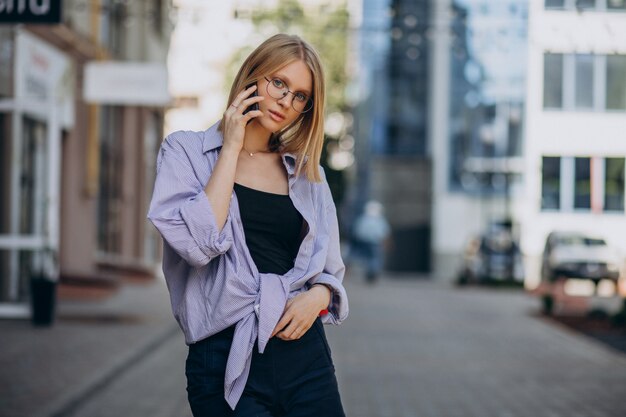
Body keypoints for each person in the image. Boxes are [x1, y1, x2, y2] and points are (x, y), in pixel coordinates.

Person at [147, 34, 348, 417]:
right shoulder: (185, 151)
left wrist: (319, 298)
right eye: (279, 83)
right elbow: (196, 246)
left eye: (300, 96)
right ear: (253, 76)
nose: (286, 102)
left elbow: (330, 269)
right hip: (223, 354)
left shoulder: (308, 174)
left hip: (304, 355)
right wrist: (231, 147)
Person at [352, 200, 390, 283]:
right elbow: (384, 232)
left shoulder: (363, 219)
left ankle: (369, 272)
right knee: (375, 258)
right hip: (375, 243)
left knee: (367, 258)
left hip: (364, 242)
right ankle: (372, 273)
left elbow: (358, 231)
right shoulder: (379, 220)